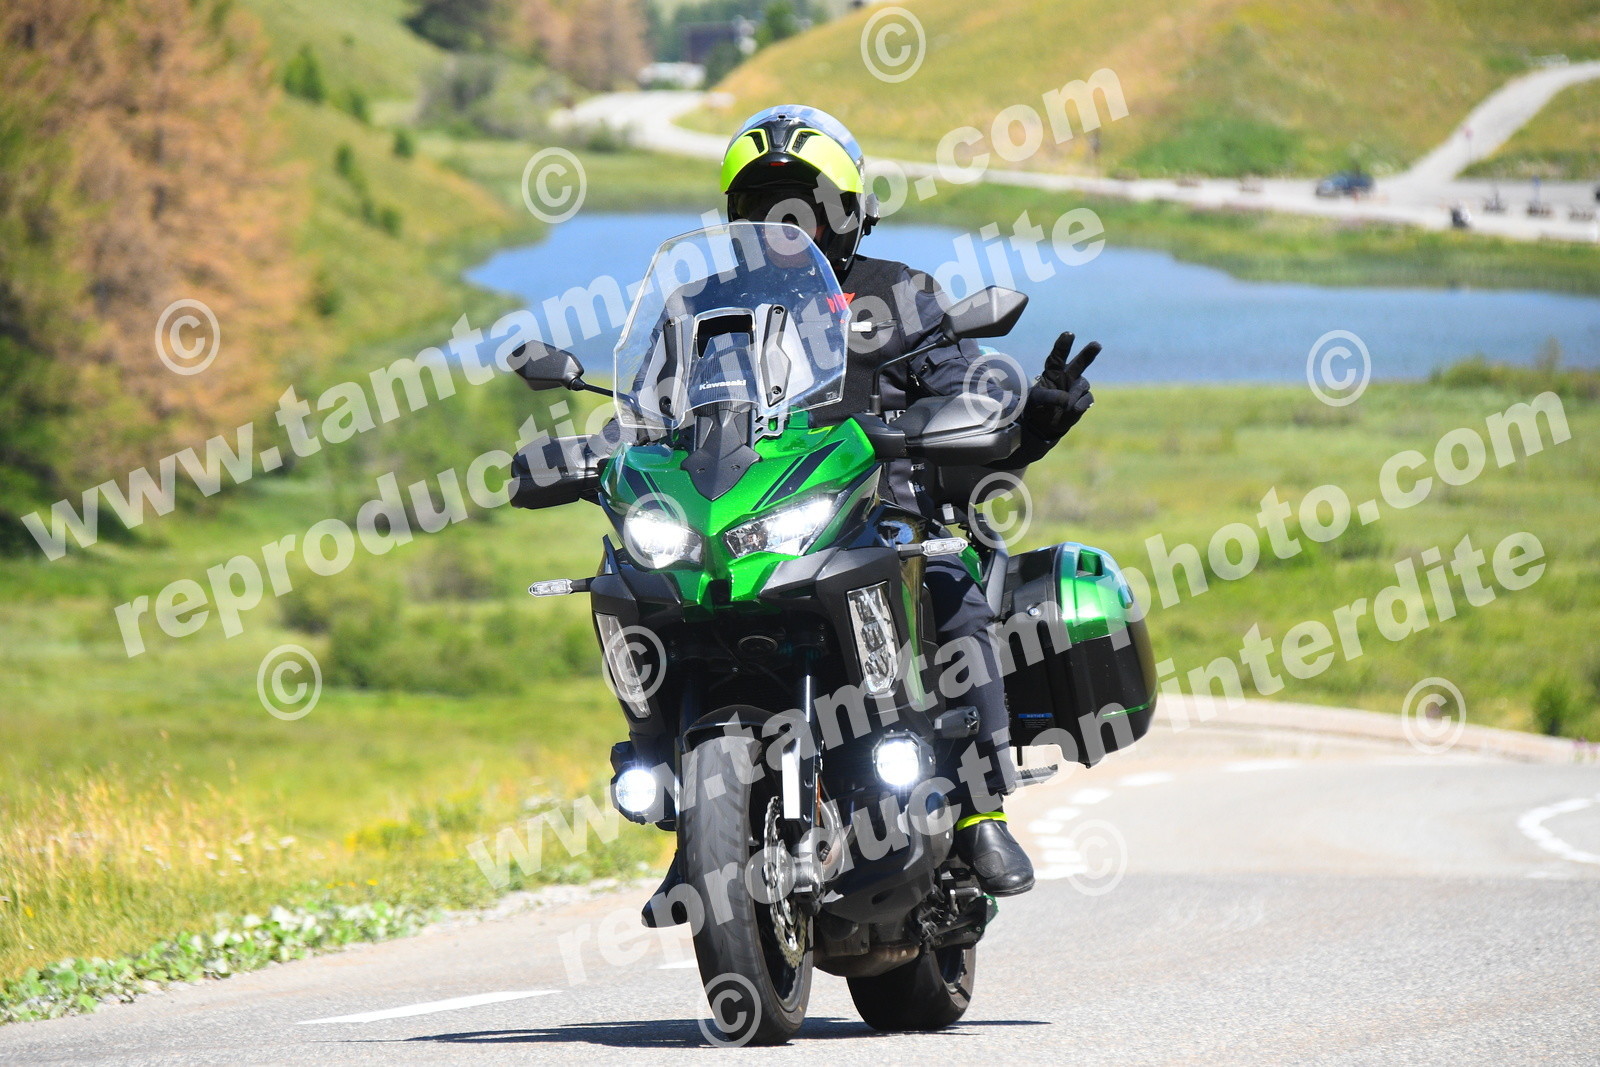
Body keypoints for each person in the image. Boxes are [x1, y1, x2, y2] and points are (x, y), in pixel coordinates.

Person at [707, 105, 1098, 898]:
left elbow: (962, 384)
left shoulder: (899, 295)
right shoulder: (705, 306)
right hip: (749, 529)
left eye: (804, 208)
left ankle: (981, 812)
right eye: (764, 210)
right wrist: (591, 448)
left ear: (847, 213)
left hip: (881, 517)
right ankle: (694, 814)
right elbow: (653, 405)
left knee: (952, 592)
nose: (786, 228)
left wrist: (1024, 416)